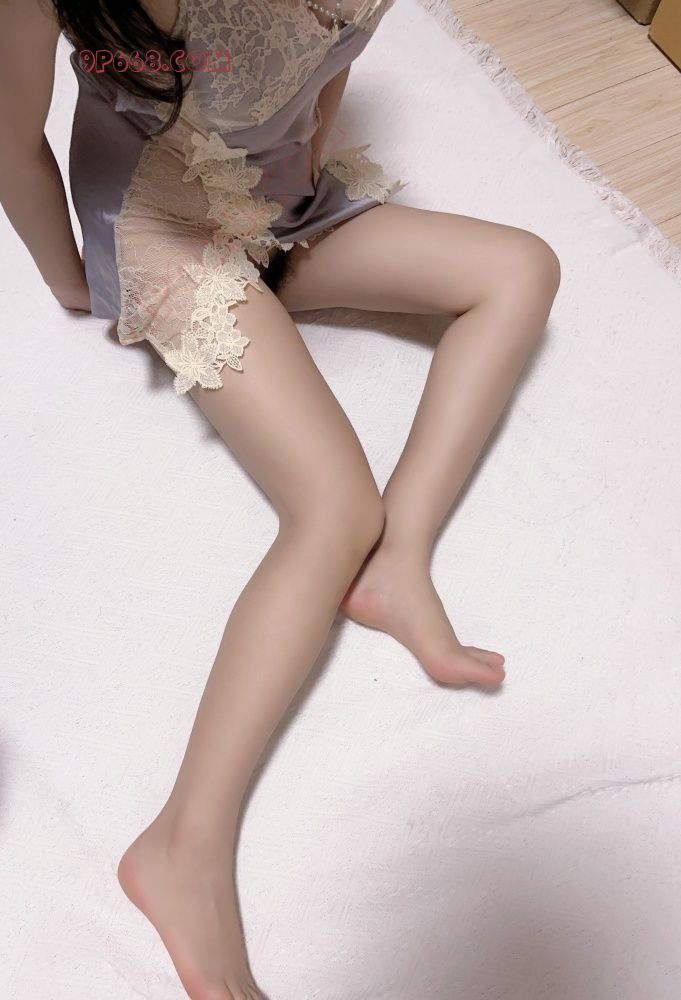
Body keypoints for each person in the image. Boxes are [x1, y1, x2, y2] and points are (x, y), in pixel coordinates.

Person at [0, 1, 561, 996]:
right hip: (162, 226)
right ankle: (181, 844)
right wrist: (75, 278)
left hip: (278, 201)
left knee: (521, 267)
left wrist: (293, 197)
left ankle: (397, 561)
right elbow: (9, 137)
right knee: (332, 508)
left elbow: (328, 67)